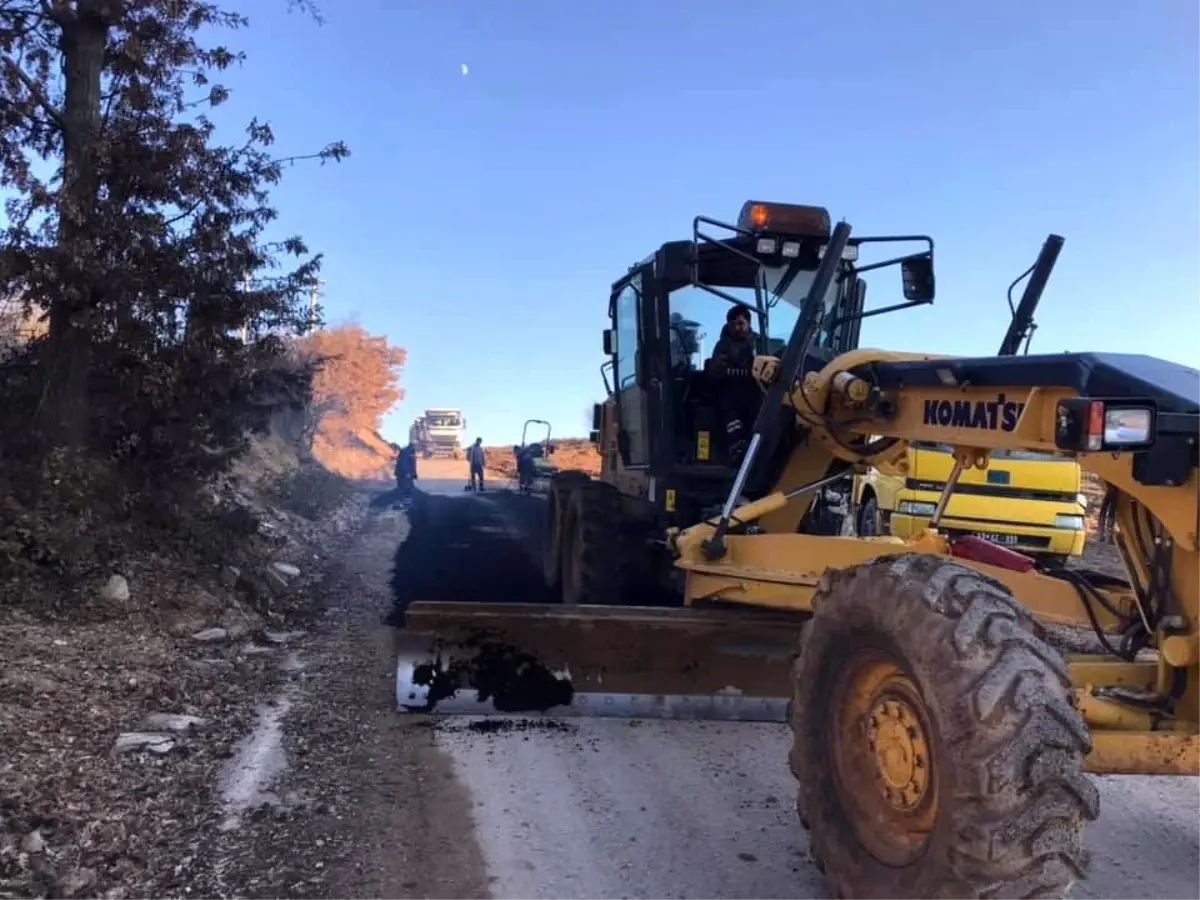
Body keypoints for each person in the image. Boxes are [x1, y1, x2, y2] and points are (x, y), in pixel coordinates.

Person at [707, 303, 760, 464]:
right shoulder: (723, 345)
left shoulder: (759, 343)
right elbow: (714, 370)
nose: (738, 328)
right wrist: (721, 367)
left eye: (741, 323)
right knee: (729, 408)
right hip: (729, 392)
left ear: (749, 324)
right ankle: (736, 445)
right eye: (734, 324)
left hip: (756, 391)